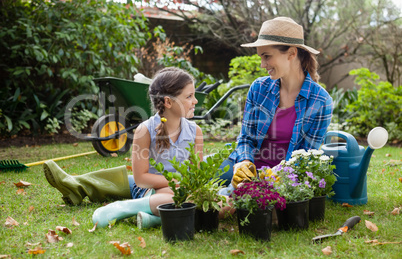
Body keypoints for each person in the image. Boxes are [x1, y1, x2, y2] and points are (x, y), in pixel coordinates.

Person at [43, 67, 203, 229]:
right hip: (151, 191)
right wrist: (174, 181)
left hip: (182, 190)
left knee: (197, 199)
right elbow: (141, 179)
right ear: (168, 102)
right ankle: (122, 208)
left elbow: (196, 173)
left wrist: (186, 186)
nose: (195, 101)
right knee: (172, 197)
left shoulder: (195, 131)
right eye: (189, 96)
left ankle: (152, 219)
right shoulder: (145, 130)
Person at [219, 16, 333, 191]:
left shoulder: (320, 101)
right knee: (202, 174)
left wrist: (277, 175)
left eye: (267, 56)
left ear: (292, 53)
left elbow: (306, 158)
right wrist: (244, 162)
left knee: (225, 201)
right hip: (248, 170)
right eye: (261, 57)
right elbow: (246, 138)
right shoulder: (259, 88)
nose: (263, 64)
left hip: (283, 179)